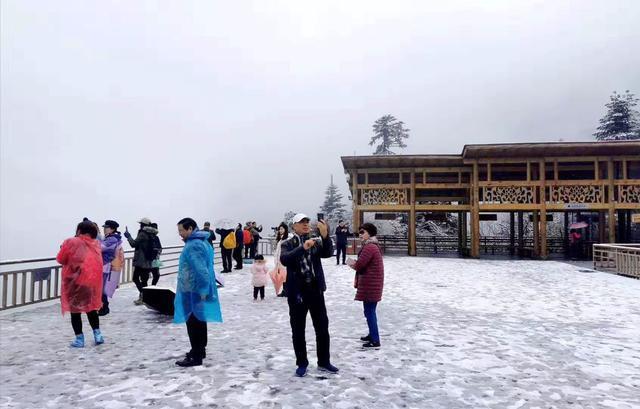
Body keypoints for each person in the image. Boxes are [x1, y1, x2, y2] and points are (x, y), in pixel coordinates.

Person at [280, 213, 338, 377]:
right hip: (297, 292)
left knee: (322, 327)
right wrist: (302, 247)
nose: (305, 224)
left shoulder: (315, 241)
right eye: (301, 222)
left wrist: (325, 236)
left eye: (307, 222)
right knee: (298, 329)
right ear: (294, 226)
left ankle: (324, 361)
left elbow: (328, 253)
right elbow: (285, 259)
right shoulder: (288, 243)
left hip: (315, 289)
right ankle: (302, 363)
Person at [174, 218, 223, 367]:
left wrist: (202, 290)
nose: (180, 234)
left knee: (193, 321)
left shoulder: (193, 245)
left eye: (182, 230)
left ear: (190, 229)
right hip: (195, 288)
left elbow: (201, 270)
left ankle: (196, 355)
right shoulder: (201, 242)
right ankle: (199, 350)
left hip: (192, 289)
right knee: (200, 320)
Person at [56, 220, 105, 347]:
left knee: (75, 312)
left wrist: (63, 248)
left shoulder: (71, 241)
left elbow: (61, 259)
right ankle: (98, 335)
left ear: (79, 230)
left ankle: (79, 339)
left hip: (74, 282)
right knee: (91, 309)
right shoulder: (96, 244)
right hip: (90, 282)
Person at [347, 223, 384, 349]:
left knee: (370, 312)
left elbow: (360, 265)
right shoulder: (373, 246)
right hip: (372, 284)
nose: (360, 235)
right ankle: (372, 334)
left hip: (370, 284)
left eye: (362, 232)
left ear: (369, 233)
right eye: (359, 232)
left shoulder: (370, 247)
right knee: (369, 311)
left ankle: (375, 339)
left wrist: (351, 263)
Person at [124, 217, 157, 305]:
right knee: (144, 280)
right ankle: (144, 297)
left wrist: (128, 236)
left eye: (140, 224)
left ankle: (144, 296)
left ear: (143, 225)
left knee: (136, 278)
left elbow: (133, 244)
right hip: (148, 261)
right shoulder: (152, 233)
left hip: (141, 261)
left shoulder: (143, 233)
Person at [99, 220, 123, 316]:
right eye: (104, 227)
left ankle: (104, 308)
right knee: (102, 287)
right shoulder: (111, 238)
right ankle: (103, 307)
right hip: (106, 265)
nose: (104, 229)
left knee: (102, 288)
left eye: (106, 227)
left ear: (112, 229)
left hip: (106, 265)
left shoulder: (111, 239)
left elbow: (100, 247)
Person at [271, 222, 289, 297]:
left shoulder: (288, 238)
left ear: (285, 229)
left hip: (284, 261)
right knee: (283, 277)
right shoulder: (281, 238)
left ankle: (287, 291)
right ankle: (285, 291)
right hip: (280, 261)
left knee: (285, 277)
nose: (280, 230)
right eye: (279, 229)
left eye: (282, 229)